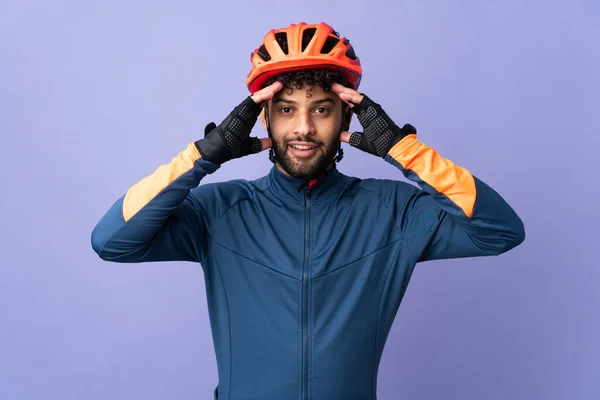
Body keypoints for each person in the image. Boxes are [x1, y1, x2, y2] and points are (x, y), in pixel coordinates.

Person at [91, 22, 525, 400]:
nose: (302, 128)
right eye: (286, 110)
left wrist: (401, 149)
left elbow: (500, 231)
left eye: (321, 109)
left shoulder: (394, 210)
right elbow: (111, 241)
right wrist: (204, 155)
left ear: (346, 120)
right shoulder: (219, 210)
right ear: (264, 120)